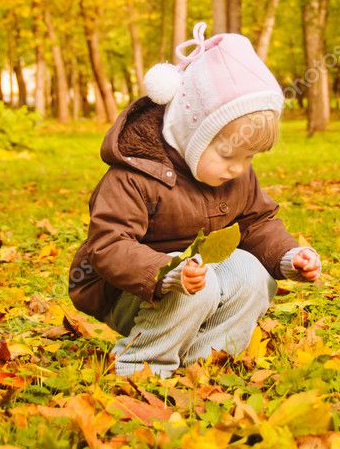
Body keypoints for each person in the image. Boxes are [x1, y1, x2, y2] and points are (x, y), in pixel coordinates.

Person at [69, 23, 323, 377]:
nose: (237, 168)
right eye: (227, 155)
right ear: (191, 133)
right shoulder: (134, 176)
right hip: (126, 290)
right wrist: (166, 273)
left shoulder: (232, 176)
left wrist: (288, 256)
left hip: (199, 278)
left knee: (254, 275)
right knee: (195, 286)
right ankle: (142, 365)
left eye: (249, 157)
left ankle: (204, 360)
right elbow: (108, 245)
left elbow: (258, 222)